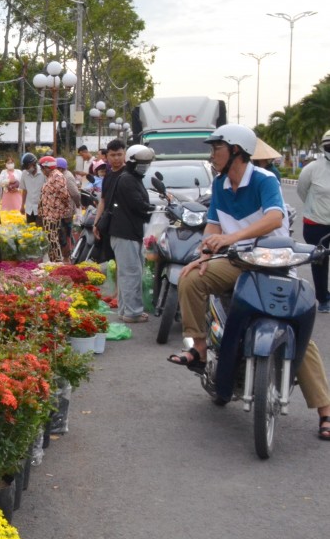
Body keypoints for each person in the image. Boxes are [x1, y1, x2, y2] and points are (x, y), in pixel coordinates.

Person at [167, 125, 330, 441]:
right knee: (190, 280)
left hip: (274, 263)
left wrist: (232, 238)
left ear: (236, 152)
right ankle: (198, 349)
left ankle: (325, 410)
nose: (212, 155)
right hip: (236, 261)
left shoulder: (264, 180)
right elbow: (213, 225)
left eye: (217, 149)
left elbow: (274, 219)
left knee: (297, 329)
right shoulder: (220, 184)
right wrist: (204, 252)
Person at [108, 144, 156, 323]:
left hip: (129, 233)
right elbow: (138, 205)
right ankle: (132, 313)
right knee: (131, 273)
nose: (144, 166)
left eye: (147, 163)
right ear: (132, 162)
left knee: (128, 273)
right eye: (141, 163)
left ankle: (126, 310)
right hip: (125, 233)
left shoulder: (133, 177)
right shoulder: (128, 179)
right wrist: (154, 208)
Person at [297, 128, 330, 313]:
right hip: (316, 224)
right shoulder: (311, 169)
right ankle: (323, 299)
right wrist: (316, 208)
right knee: (320, 263)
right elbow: (302, 192)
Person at [93, 139, 127, 261]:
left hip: (124, 229)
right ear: (107, 156)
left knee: (122, 261)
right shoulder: (108, 175)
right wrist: (96, 223)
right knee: (109, 260)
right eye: (113, 155)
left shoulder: (129, 175)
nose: (116, 158)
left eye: (119, 154)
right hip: (108, 225)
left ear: (125, 154)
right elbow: (103, 200)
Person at [38, 156, 73, 261]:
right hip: (48, 212)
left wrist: (66, 210)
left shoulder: (57, 176)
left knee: (52, 239)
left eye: (42, 168)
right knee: (50, 239)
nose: (42, 171)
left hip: (53, 213)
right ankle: (54, 261)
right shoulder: (51, 176)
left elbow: (64, 195)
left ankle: (57, 262)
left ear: (47, 167)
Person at [18, 152, 45, 226]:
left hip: (41, 208)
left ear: (34, 163)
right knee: (31, 230)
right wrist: (22, 205)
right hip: (29, 208)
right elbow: (24, 190)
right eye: (26, 167)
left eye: (28, 166)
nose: (27, 169)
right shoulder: (24, 173)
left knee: (40, 230)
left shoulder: (43, 172)